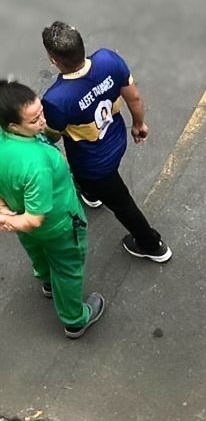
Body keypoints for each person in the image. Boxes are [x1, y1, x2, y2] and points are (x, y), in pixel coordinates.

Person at [40, 21, 171, 263]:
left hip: (93, 164)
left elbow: (52, 135)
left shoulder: (56, 99)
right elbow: (134, 97)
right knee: (95, 183)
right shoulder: (108, 61)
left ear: (54, 61)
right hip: (117, 139)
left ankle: (152, 244)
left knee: (122, 204)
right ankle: (91, 192)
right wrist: (139, 124)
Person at [0, 80, 105, 338]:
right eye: (35, 120)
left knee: (37, 250)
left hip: (20, 213)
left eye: (41, 112)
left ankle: (47, 281)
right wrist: (4, 220)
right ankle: (74, 319)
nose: (43, 121)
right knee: (68, 267)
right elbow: (35, 219)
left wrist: (4, 209)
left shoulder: (6, 139)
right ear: (13, 126)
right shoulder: (38, 163)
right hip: (58, 225)